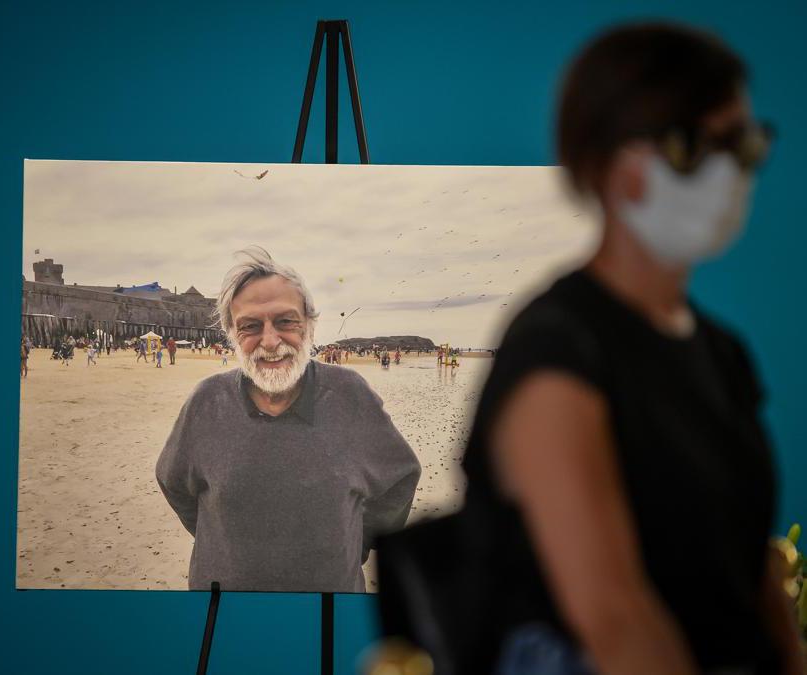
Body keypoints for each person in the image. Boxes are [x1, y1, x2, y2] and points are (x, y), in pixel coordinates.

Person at [460, 23, 799, 675]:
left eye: (745, 145)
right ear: (618, 168)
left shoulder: (721, 351)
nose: (732, 173)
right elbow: (613, 616)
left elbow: (748, 569)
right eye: (698, 147)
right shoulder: (556, 349)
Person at [156, 246, 421, 593]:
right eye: (250, 326)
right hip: (224, 616)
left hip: (329, 614)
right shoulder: (207, 402)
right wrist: (221, 538)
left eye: (285, 321)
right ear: (232, 334)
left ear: (309, 326)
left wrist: (355, 543)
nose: (270, 341)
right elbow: (175, 484)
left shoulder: (350, 395)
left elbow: (399, 480)